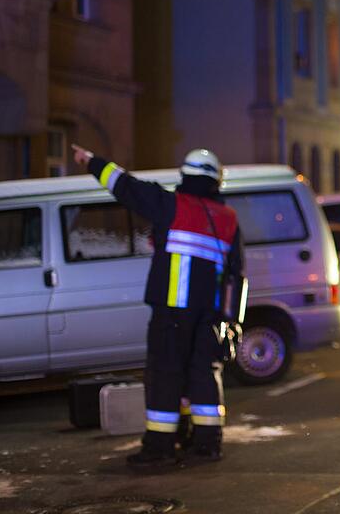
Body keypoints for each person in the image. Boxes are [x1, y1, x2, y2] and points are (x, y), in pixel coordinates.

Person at [71, 144, 244, 469]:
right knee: (203, 374)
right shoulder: (228, 219)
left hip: (172, 311)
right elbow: (238, 274)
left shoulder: (170, 204)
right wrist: (232, 320)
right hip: (211, 315)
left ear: (185, 176)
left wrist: (91, 160)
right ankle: (207, 444)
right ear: (216, 181)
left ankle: (161, 447)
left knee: (165, 374)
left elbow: (124, 186)